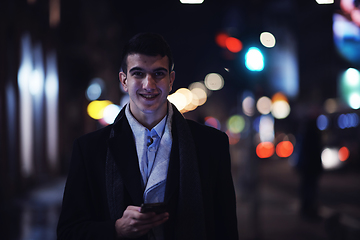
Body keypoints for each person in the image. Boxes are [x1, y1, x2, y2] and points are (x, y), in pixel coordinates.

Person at [57, 32, 238, 240]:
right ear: (123, 81)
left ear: (171, 80)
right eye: (138, 74)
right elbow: (67, 233)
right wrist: (116, 229)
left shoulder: (211, 145)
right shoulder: (89, 149)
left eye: (158, 74)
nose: (149, 85)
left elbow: (227, 230)